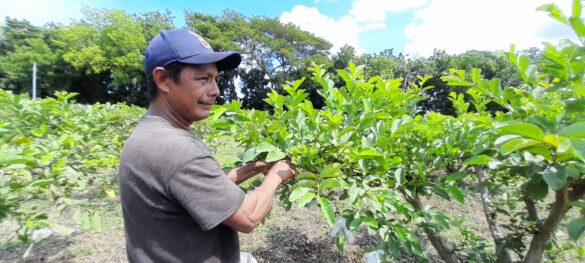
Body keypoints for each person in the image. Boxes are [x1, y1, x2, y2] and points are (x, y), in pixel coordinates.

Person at [118, 28, 296, 263]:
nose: (215, 91)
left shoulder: (149, 135)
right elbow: (248, 217)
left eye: (215, 79)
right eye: (203, 79)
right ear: (163, 79)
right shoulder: (176, 149)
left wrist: (257, 166)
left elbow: (200, 187)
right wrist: (277, 175)